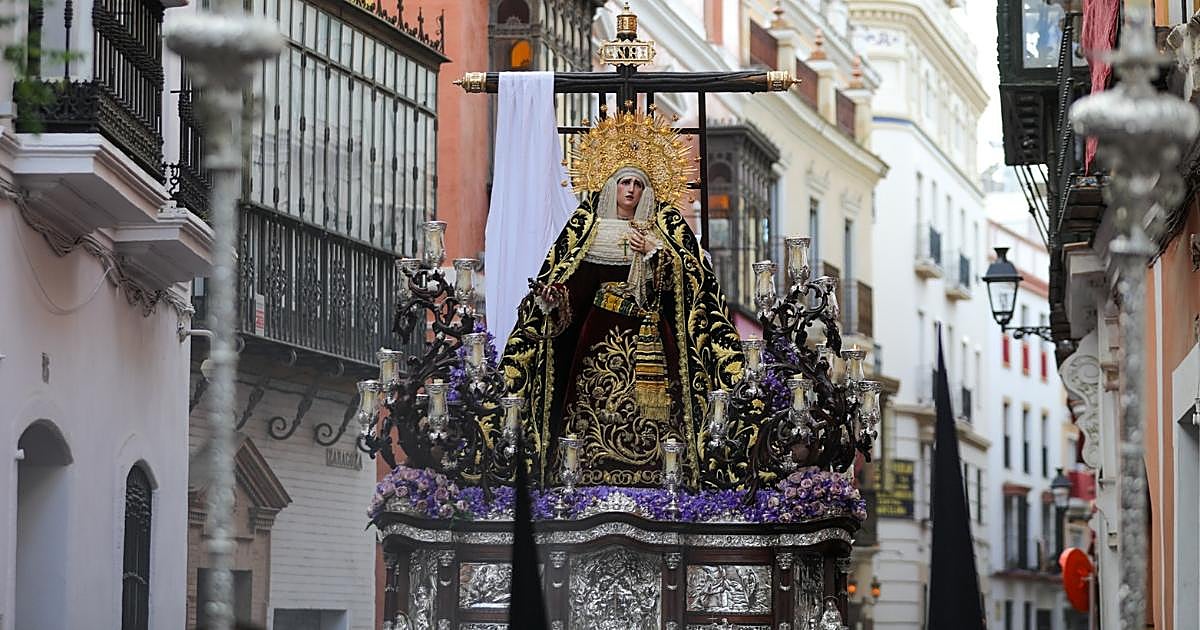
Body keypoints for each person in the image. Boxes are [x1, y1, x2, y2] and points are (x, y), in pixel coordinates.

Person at [500, 111, 745, 488]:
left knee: (655, 415)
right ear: (611, 185)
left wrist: (654, 253)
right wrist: (553, 298)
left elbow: (694, 283)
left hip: (650, 338)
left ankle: (659, 480)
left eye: (639, 184)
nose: (631, 190)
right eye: (624, 182)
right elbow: (571, 284)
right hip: (596, 335)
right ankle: (579, 477)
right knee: (593, 405)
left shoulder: (666, 228)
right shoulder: (587, 228)